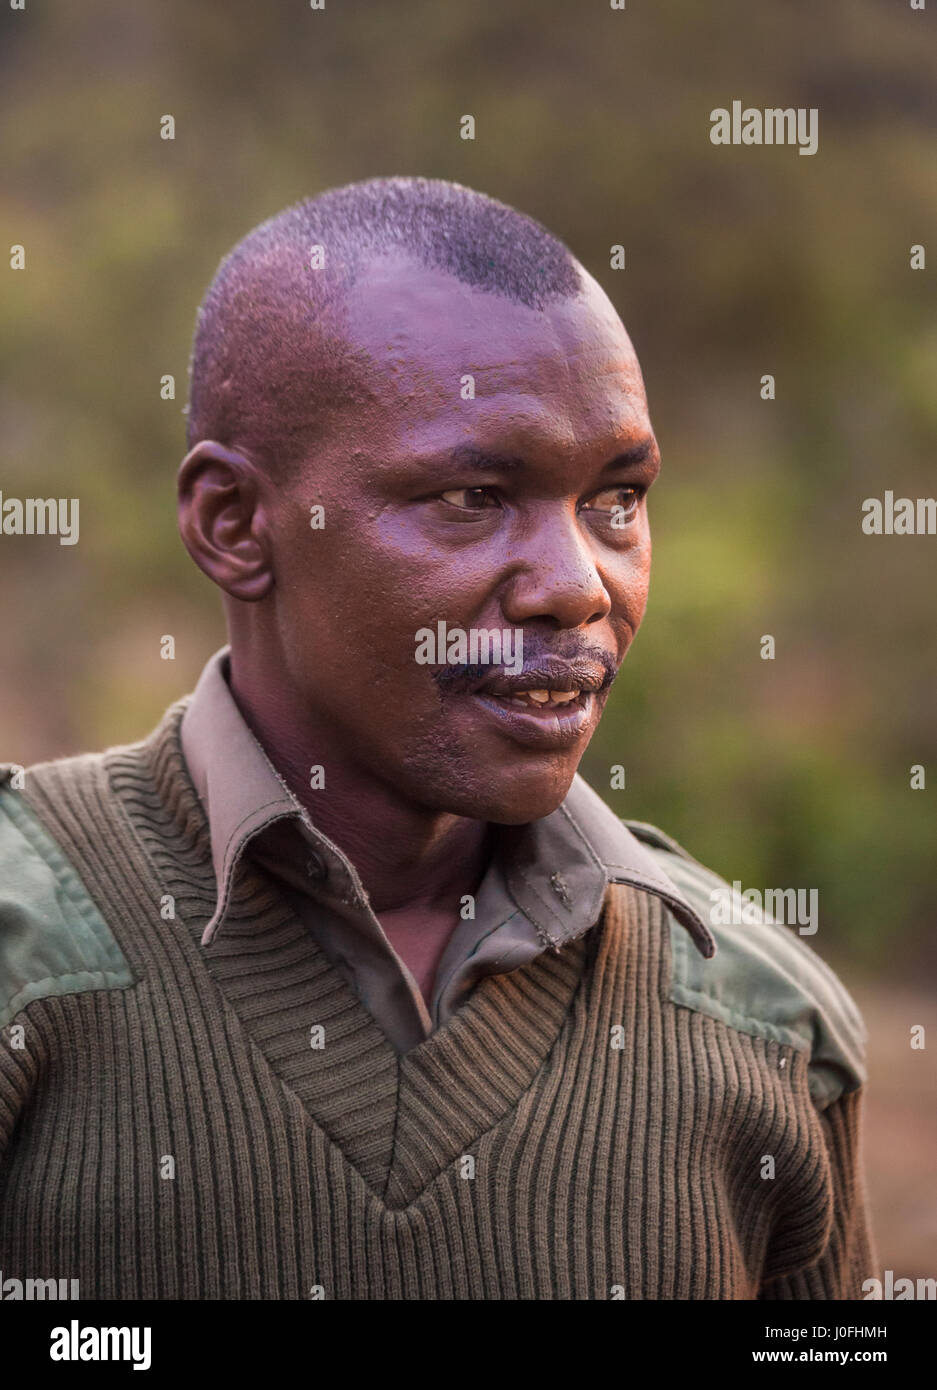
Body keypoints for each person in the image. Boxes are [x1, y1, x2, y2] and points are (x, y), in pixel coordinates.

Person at [0, 176, 876, 1299]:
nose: (577, 587)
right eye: (470, 495)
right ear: (233, 524)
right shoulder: (32, 959)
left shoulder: (761, 1027)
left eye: (616, 498)